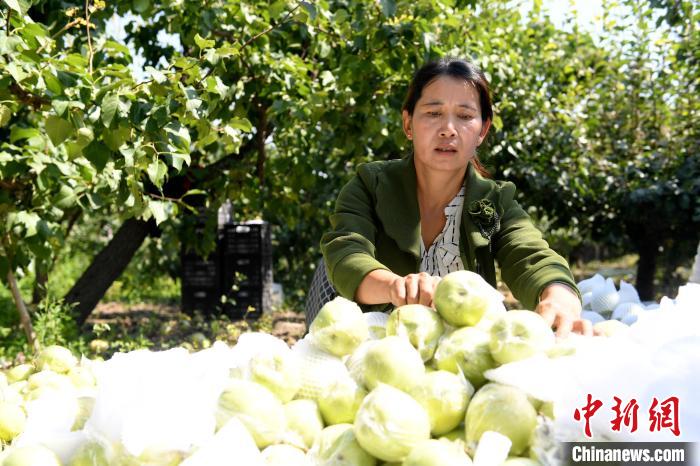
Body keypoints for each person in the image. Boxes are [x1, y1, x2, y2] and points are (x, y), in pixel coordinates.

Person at [320, 57, 591, 337]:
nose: (448, 128)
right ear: (408, 123)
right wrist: (395, 286)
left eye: (464, 116)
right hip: (372, 340)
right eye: (433, 113)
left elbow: (530, 254)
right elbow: (347, 252)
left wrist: (558, 296)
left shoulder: (495, 201)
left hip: (456, 349)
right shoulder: (370, 184)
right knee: (326, 267)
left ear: (482, 130)